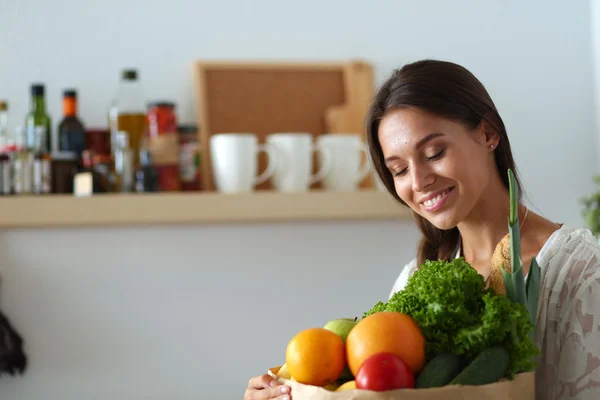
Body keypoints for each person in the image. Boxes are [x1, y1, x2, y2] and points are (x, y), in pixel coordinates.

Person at [243, 59, 600, 400]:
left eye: (433, 152)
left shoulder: (581, 273)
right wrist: (283, 387)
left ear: (488, 133)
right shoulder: (416, 278)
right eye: (399, 170)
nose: (419, 181)